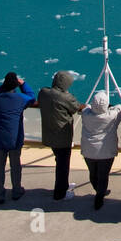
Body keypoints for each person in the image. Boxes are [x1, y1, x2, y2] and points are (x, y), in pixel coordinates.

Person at [37, 71, 84, 201]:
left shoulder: (43, 93)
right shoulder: (65, 97)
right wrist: (67, 94)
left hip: (49, 135)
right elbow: (75, 107)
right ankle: (60, 193)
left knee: (59, 160)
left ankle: (64, 184)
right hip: (62, 136)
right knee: (63, 164)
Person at [0, 72, 37, 203]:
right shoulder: (20, 99)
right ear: (15, 85)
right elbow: (31, 97)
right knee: (15, 165)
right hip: (14, 138)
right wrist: (23, 84)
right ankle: (16, 190)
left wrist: (4, 87)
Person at [80, 90, 121, 210]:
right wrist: (111, 107)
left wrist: (93, 106)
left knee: (93, 173)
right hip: (106, 152)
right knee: (103, 175)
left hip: (88, 150)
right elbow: (120, 109)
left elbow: (87, 107)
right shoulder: (112, 115)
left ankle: (98, 190)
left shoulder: (86, 114)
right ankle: (100, 195)